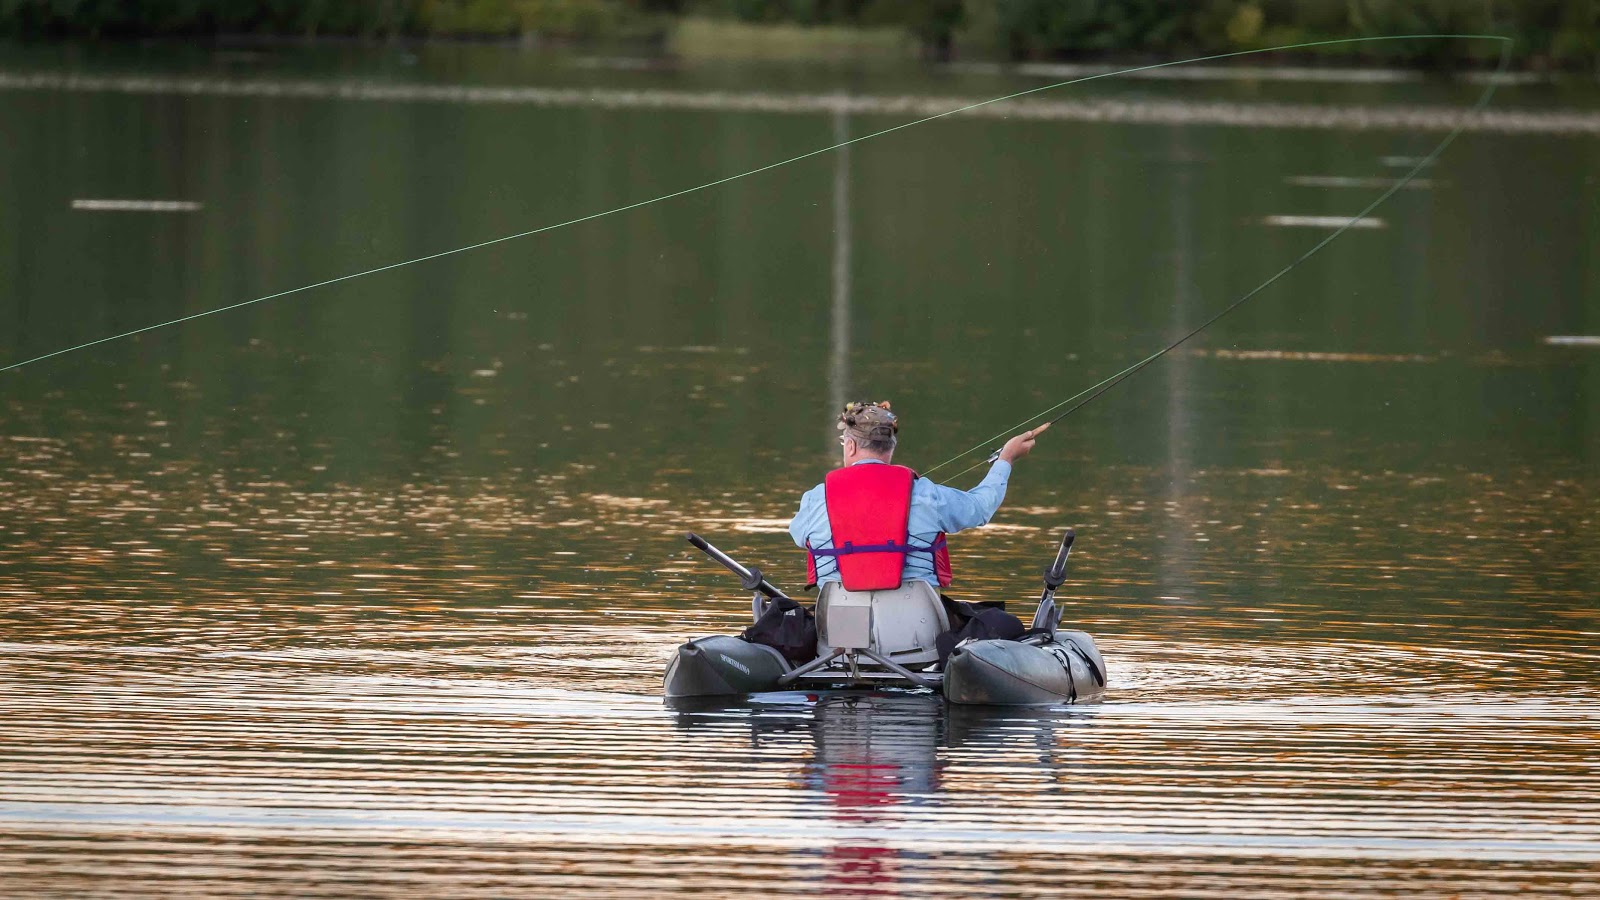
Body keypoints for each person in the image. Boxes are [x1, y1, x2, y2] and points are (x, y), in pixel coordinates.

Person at [788, 400, 1045, 592]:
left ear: (852, 445)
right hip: (917, 635)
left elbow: (799, 536)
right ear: (891, 447)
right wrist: (1005, 460)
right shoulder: (925, 494)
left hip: (837, 634)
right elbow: (979, 509)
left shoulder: (816, 498)